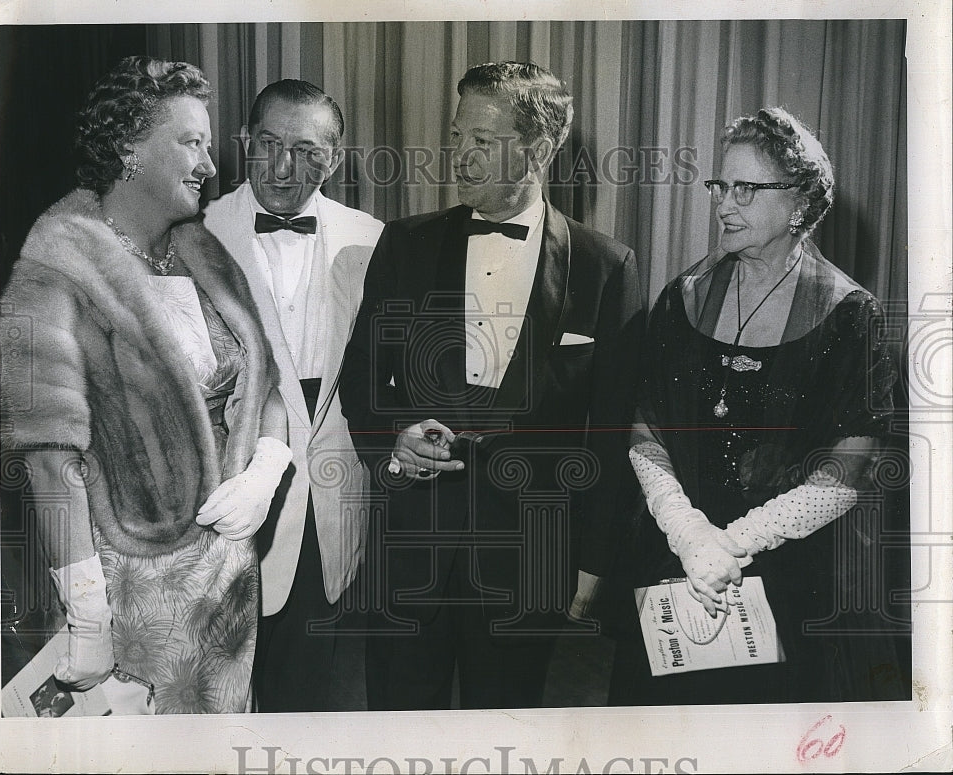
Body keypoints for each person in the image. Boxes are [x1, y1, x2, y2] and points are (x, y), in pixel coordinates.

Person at [339, 62, 644, 710]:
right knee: (397, 731)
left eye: (481, 139)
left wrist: (593, 563)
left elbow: (614, 432)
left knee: (504, 736)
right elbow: (362, 372)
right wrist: (393, 439)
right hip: (409, 553)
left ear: (537, 149)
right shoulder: (407, 244)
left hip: (528, 567)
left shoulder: (606, 267)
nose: (460, 154)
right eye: (457, 136)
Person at [0, 56, 292, 714]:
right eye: (192, 142)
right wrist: (88, 620)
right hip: (131, 605)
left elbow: (264, 381)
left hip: (228, 599)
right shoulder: (55, 271)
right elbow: (51, 461)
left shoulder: (201, 250)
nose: (212, 166)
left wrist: (268, 466)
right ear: (129, 150)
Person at [609, 107, 907, 705]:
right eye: (721, 184)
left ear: (799, 203)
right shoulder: (683, 296)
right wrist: (690, 534)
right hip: (678, 563)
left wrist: (733, 543)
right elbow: (645, 425)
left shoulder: (851, 314)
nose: (724, 203)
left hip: (787, 581)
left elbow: (847, 469)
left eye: (747, 188)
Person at [203, 79, 383, 712]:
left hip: (328, 505)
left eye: (306, 151)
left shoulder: (374, 240)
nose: (283, 167)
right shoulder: (196, 232)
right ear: (246, 142)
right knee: (216, 690)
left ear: (333, 159)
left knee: (305, 692)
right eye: (269, 144)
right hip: (221, 495)